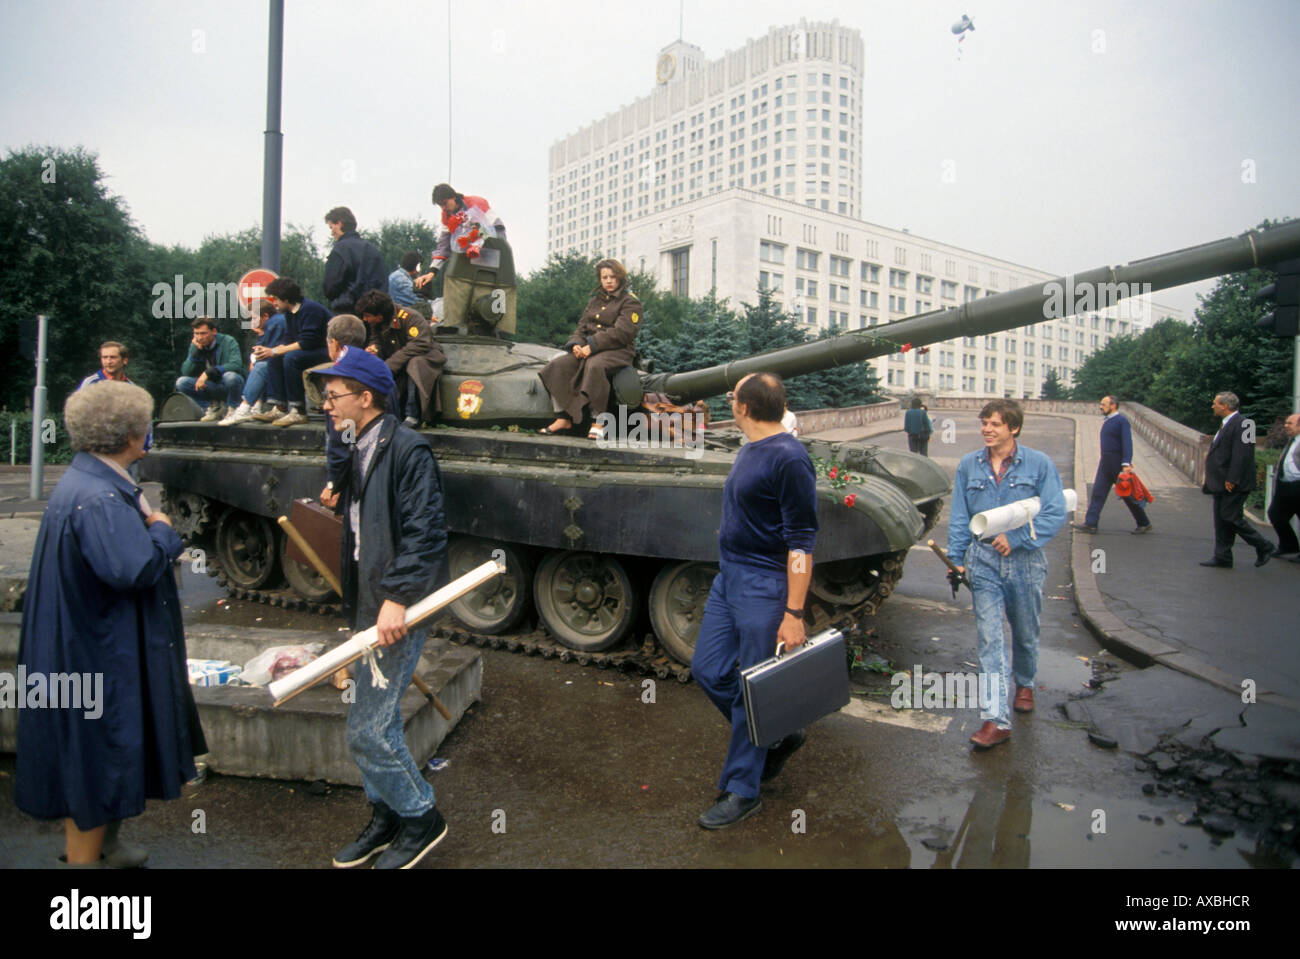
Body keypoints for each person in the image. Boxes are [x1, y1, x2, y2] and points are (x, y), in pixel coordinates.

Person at [15, 380, 207, 867]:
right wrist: (164, 533)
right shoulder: (100, 497)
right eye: (144, 426)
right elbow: (133, 569)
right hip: (95, 648)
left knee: (95, 750)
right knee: (96, 755)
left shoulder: (88, 481)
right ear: (129, 436)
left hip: (83, 639)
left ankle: (107, 845)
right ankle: (84, 870)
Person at [310, 347, 451, 870]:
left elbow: (426, 532)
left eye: (334, 396)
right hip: (367, 600)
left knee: (366, 729)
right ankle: (385, 815)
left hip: (395, 606)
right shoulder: (357, 445)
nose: (326, 405)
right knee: (374, 716)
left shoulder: (409, 449)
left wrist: (396, 598)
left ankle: (420, 817)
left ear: (365, 398)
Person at [691, 372, 818, 829]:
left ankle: (742, 790)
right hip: (731, 580)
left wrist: (794, 613)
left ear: (743, 406)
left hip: (766, 587)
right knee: (707, 669)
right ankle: (776, 734)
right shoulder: (751, 447)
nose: (730, 404)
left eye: (731, 397)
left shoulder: (789, 457)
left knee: (752, 688)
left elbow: (802, 542)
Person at [946, 399, 1065, 749]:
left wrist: (1016, 539)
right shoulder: (969, 465)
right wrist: (957, 559)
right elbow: (959, 515)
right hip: (982, 561)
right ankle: (995, 719)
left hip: (1025, 561)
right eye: (984, 423)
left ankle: (1025, 682)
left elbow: (1055, 511)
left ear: (1013, 428)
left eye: (995, 424)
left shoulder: (1039, 464)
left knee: (1026, 631)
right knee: (990, 639)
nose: (987, 429)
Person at [537, 258, 640, 440]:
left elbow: (622, 332)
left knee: (594, 366)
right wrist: (576, 344)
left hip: (618, 351)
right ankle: (562, 417)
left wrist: (591, 346)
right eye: (604, 277)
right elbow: (582, 326)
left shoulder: (630, 302)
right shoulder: (595, 301)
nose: (608, 281)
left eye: (612, 277)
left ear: (620, 278)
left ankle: (598, 421)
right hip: (588, 348)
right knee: (557, 365)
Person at [1201, 392, 1276, 568]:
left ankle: (1264, 545)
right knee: (1221, 519)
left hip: (1234, 482)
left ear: (1225, 406)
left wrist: (1233, 478)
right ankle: (1223, 556)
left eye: (1215, 404)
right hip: (1219, 481)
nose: (1213, 406)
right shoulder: (1225, 424)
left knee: (1230, 517)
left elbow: (1244, 454)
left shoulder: (1246, 424)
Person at [304, 314, 370, 509]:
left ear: (334, 343)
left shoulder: (340, 382)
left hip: (354, 476)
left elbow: (345, 441)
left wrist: (334, 484)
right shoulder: (376, 372)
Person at [356, 289, 446, 428]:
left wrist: (390, 364)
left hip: (426, 357)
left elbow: (420, 343)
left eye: (367, 316)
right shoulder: (378, 323)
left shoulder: (410, 317)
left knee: (415, 364)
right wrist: (373, 349)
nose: (365, 319)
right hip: (400, 358)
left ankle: (413, 414)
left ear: (379, 315)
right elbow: (376, 340)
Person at [256, 277, 332, 426]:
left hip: (326, 351)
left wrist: (276, 351)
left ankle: (298, 410)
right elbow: (288, 339)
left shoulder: (310, 309)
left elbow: (307, 342)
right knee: (275, 357)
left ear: (286, 298)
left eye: (276, 299)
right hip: (311, 350)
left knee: (291, 358)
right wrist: (271, 350)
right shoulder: (291, 313)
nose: (275, 303)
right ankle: (280, 407)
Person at [1073, 395, 1152, 534]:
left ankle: (1144, 523)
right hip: (1106, 462)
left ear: (1113, 405)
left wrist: (1126, 463)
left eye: (1104, 404)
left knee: (1127, 494)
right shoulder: (1108, 421)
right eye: (1101, 404)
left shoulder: (1121, 421)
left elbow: (1127, 443)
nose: (1100, 406)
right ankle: (1091, 523)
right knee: (1098, 492)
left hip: (1117, 463)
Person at [417, 183, 507, 285]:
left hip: (491, 250)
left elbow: (498, 230)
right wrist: (432, 272)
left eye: (444, 203)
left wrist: (484, 244)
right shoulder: (446, 217)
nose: (443, 208)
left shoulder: (476, 203)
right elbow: (443, 246)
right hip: (468, 257)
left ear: (453, 197)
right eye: (440, 205)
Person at [220, 299, 288, 425]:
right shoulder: (272, 326)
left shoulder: (277, 323)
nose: (252, 322)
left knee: (261, 366)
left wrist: (262, 338)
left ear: (266, 316)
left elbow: (272, 353)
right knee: (259, 365)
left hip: (288, 367)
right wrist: (262, 335)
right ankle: (251, 407)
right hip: (282, 367)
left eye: (253, 318)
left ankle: (245, 409)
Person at [176, 317, 245, 422]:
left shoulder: (228, 341)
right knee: (182, 382)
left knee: (230, 376)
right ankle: (215, 406)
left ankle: (233, 409)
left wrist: (207, 373)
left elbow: (236, 364)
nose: (199, 338)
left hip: (232, 386)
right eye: (196, 333)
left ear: (214, 331)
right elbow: (186, 371)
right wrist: (196, 352)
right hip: (213, 386)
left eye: (203, 333)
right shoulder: (196, 345)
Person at [322, 206, 388, 315]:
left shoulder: (340, 250)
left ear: (339, 223)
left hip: (347, 312)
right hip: (375, 315)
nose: (331, 233)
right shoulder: (373, 250)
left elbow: (330, 288)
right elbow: (383, 283)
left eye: (331, 227)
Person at [1268, 413, 1300, 561]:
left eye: (1290, 423)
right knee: (1275, 514)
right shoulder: (1291, 441)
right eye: (1285, 422)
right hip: (1285, 486)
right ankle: (1289, 545)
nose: (1285, 426)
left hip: (1298, 486)